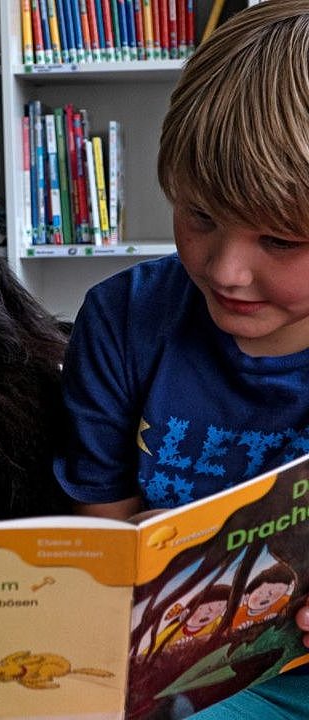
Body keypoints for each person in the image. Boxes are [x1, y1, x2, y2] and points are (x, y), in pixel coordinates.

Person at [53, 1, 309, 717]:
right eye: (200, 217)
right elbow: (101, 533)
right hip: (162, 663)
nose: (225, 270)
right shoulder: (122, 319)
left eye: (281, 243)